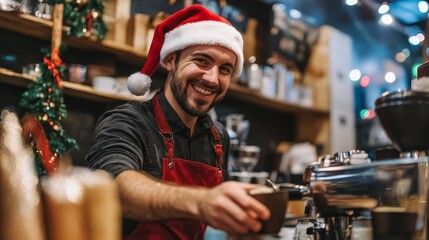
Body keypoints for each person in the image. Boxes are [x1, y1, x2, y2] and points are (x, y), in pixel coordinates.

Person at [86, 4, 270, 239]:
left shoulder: (217, 137)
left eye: (225, 69)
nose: (212, 78)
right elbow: (112, 188)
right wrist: (201, 201)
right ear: (171, 60)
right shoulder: (126, 122)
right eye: (202, 61)